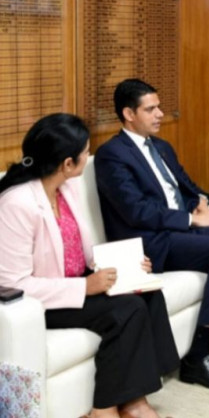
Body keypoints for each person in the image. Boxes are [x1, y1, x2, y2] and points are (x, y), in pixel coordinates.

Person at [0, 114, 178, 418]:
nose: (89, 155)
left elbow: (76, 251)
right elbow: (13, 284)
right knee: (127, 310)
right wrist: (85, 286)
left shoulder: (65, 188)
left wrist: (126, 267)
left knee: (147, 293)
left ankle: (135, 401)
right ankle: (104, 408)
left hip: (73, 281)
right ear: (67, 163)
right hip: (42, 301)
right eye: (85, 151)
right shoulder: (17, 204)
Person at [94, 79, 209, 390]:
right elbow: (136, 211)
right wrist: (191, 220)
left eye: (159, 107)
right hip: (150, 242)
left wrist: (202, 204)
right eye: (151, 109)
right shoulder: (111, 155)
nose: (160, 114)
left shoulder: (161, 147)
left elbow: (191, 187)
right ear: (129, 114)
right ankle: (198, 355)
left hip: (179, 231)